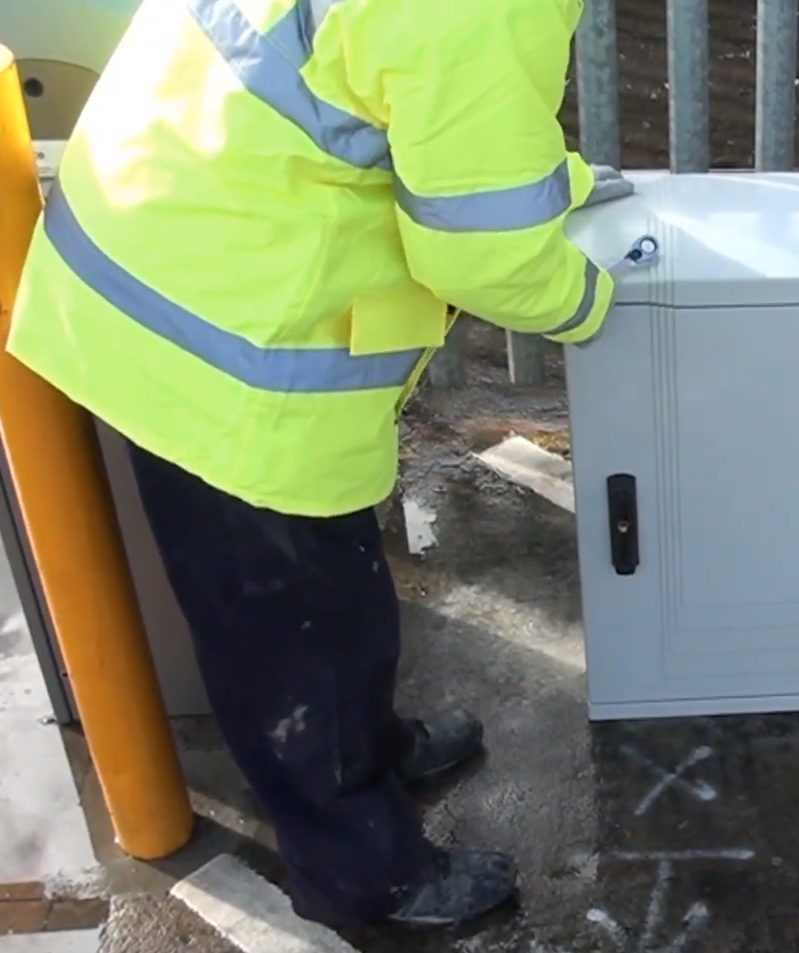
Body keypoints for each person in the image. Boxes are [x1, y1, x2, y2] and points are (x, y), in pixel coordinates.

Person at [7, 0, 633, 931]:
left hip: (168, 256)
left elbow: (417, 119)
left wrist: (555, 184)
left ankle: (369, 748)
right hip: (223, 352)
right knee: (298, 637)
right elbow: (485, 253)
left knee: (327, 607)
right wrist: (595, 301)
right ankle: (362, 874)